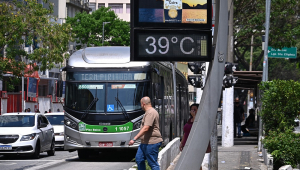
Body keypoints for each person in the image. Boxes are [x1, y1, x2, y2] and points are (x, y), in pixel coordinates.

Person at [128, 96, 163, 170]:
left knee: (152, 163)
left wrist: (134, 139)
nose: (141, 106)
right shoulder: (148, 112)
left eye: (140, 104)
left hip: (152, 143)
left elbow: (146, 128)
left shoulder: (151, 112)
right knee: (139, 159)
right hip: (145, 143)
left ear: (143, 104)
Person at [179, 103, 211, 170]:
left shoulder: (200, 120)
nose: (193, 111)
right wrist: (181, 143)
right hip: (187, 145)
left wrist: (194, 117)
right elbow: (185, 133)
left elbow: (198, 129)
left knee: (196, 163)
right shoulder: (189, 120)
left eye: (195, 109)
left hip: (195, 146)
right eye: (191, 110)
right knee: (188, 163)